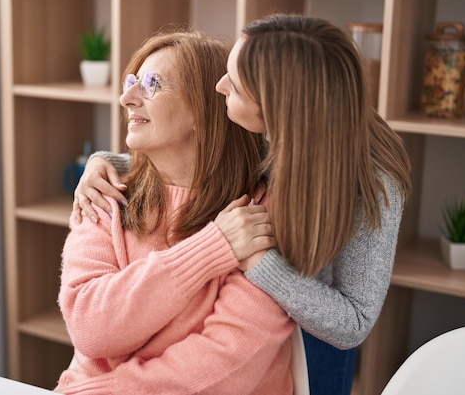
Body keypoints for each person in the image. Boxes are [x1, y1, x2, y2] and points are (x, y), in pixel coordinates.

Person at [72, 14, 412, 395]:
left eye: (233, 84)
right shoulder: (275, 130)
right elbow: (205, 153)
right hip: (267, 288)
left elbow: (353, 322)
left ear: (276, 107)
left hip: (319, 327)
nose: (219, 86)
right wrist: (107, 164)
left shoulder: (374, 183)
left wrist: (260, 264)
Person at [55, 30, 296, 395]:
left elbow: (226, 363)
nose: (127, 98)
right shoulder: (103, 193)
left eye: (152, 83)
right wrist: (212, 247)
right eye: (131, 82)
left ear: (204, 110)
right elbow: (90, 326)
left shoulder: (261, 213)